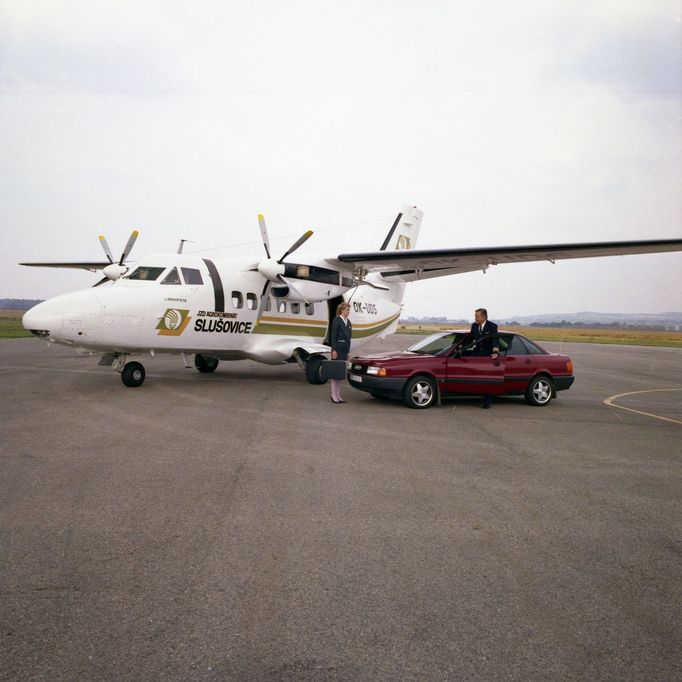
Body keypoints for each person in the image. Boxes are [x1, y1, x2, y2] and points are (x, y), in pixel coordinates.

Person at [469, 308, 500, 409]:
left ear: (483, 317)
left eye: (477, 316)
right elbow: (469, 339)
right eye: (475, 316)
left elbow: (495, 339)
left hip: (487, 356)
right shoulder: (474, 326)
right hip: (476, 354)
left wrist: (495, 352)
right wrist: (459, 346)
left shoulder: (492, 326)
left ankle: (487, 401)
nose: (475, 318)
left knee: (487, 378)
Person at [330, 301, 352, 403]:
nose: (349, 312)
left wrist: (348, 352)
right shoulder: (337, 320)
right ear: (342, 310)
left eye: (349, 310)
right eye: (347, 310)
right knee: (335, 373)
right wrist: (334, 350)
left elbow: (349, 339)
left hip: (344, 350)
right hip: (337, 349)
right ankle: (333, 395)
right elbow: (333, 336)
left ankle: (338, 395)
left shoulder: (349, 322)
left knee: (340, 375)